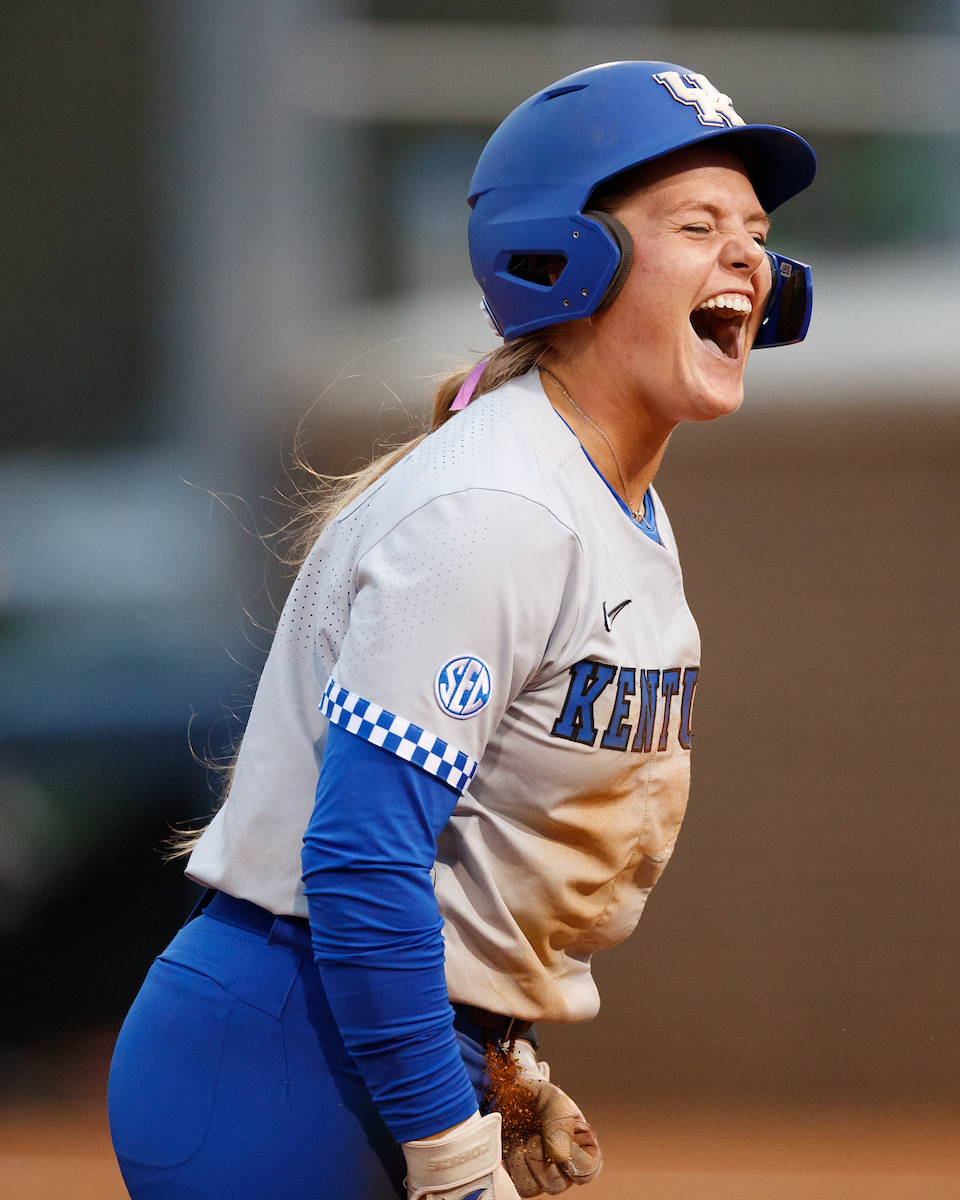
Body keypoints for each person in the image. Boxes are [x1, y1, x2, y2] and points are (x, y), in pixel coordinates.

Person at [108, 61, 816, 1200]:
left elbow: (472, 860)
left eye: (757, 233)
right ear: (566, 255)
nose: (748, 256)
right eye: (698, 225)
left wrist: (493, 1063)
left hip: (373, 1040)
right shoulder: (498, 507)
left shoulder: (603, 497)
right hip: (283, 1060)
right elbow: (360, 863)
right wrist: (449, 1153)